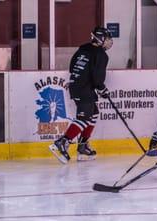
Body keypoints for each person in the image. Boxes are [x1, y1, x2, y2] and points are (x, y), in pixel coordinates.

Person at [48, 27, 113, 164]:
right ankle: (62, 142)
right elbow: (97, 78)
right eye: (107, 39)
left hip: (76, 86)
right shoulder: (101, 55)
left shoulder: (82, 49)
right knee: (84, 117)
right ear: (100, 39)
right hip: (84, 88)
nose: (109, 42)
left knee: (94, 113)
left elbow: (72, 67)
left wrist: (94, 84)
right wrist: (102, 89)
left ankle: (83, 146)